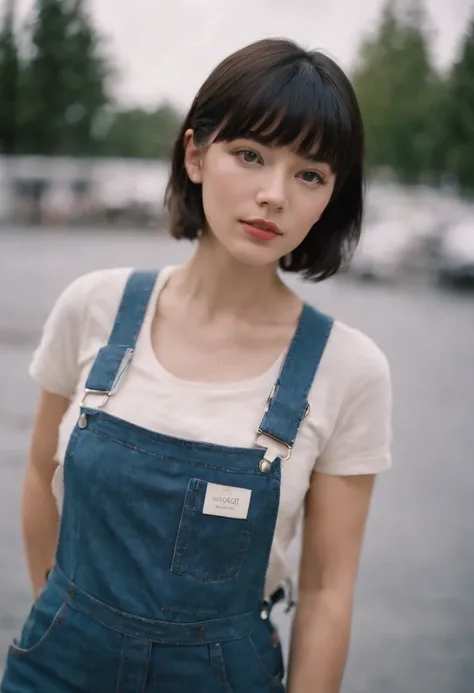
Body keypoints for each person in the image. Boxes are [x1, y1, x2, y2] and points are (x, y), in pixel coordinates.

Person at [1, 37, 392, 693]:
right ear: (195, 153)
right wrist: (66, 618)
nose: (274, 194)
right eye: (250, 154)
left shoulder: (349, 368)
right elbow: (41, 482)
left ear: (331, 196)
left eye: (310, 174)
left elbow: (325, 589)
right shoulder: (93, 306)